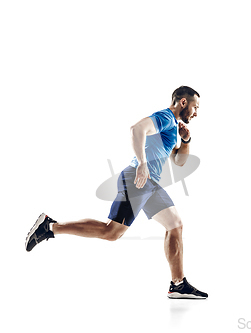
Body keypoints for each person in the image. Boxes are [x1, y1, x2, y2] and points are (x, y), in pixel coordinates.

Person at [25, 86, 208, 299]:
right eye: (195, 107)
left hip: (151, 185)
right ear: (183, 102)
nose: (196, 113)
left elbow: (179, 161)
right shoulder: (166, 117)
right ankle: (50, 227)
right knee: (111, 232)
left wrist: (185, 141)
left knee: (175, 225)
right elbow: (136, 129)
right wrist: (142, 163)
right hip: (137, 179)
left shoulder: (172, 126)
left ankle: (178, 284)